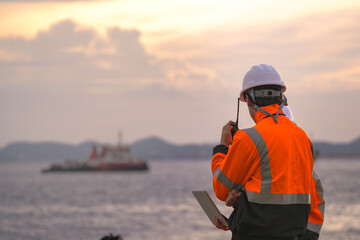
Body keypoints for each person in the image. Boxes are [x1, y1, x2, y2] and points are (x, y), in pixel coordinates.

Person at [211, 64, 325, 240]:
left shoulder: (248, 138)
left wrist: (222, 149)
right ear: (281, 96)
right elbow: (280, 190)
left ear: (248, 100)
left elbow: (221, 189)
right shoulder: (302, 138)